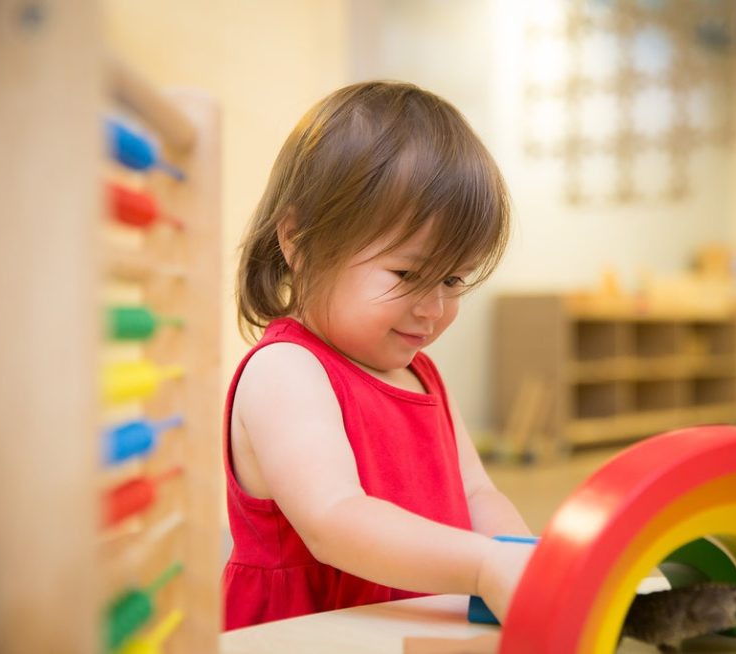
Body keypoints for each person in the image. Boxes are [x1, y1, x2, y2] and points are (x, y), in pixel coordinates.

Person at [222, 80, 535, 631]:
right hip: (305, 637)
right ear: (298, 239)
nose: (434, 308)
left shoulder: (423, 376)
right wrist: (485, 565)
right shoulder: (286, 370)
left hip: (403, 628)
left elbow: (478, 492)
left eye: (454, 280)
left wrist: (524, 556)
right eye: (408, 274)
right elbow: (334, 519)